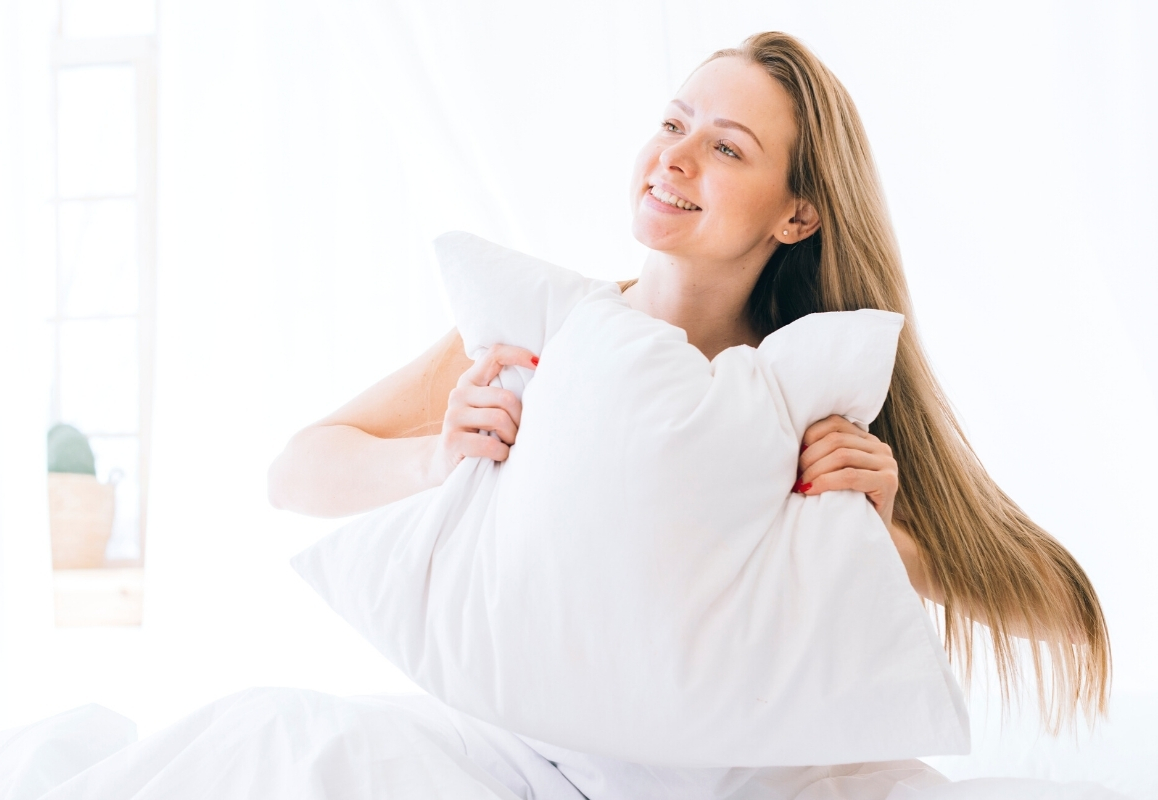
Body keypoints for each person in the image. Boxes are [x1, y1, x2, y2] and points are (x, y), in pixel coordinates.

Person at [267, 31, 1111, 797]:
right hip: (527, 759)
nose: (674, 157)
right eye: (673, 124)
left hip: (759, 781)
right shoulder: (541, 336)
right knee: (285, 747)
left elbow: (1069, 617)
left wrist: (876, 542)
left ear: (797, 214)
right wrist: (438, 455)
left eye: (725, 147)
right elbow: (294, 473)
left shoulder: (814, 390)